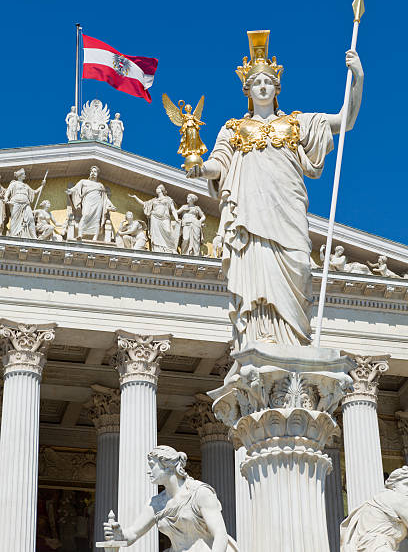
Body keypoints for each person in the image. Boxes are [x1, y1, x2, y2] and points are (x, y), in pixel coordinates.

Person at [187, 31, 363, 349]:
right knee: (257, 276)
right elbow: (219, 165)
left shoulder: (297, 124)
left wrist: (358, 78)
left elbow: (344, 121)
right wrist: (200, 168)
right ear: (248, 90)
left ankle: (294, 342)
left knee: (298, 265)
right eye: (257, 83)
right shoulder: (233, 129)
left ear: (277, 87)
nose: (263, 86)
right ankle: (262, 336)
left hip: (288, 212)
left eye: (268, 81)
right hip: (251, 215)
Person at [103, 445, 237, 551]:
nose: (149, 471)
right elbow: (133, 533)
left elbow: (220, 534)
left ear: (167, 466)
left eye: (152, 466)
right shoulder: (155, 504)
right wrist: (119, 534)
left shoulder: (200, 493)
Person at [340, 466, 408, 551]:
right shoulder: (395, 497)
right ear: (394, 485)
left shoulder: (379, 497)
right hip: (379, 546)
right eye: (406, 485)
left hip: (367, 545)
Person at [66, 166, 116, 241]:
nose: (93, 173)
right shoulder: (83, 181)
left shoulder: (100, 185)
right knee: (85, 215)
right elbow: (75, 189)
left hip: (98, 203)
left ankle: (95, 237)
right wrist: (70, 191)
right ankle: (80, 234)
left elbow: (105, 198)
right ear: (90, 173)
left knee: (97, 219)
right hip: (88, 201)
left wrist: (111, 205)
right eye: (92, 171)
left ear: (97, 174)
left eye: (95, 172)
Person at [129, 185, 180, 253]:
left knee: (168, 231)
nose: (156, 189)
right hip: (154, 217)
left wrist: (176, 218)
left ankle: (171, 249)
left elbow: (173, 210)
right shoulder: (154, 200)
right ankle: (157, 249)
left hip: (165, 218)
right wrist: (135, 197)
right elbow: (144, 204)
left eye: (158, 188)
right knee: (156, 235)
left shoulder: (168, 199)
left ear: (162, 190)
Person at [4, 168, 45, 238]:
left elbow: (34, 192)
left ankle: (33, 236)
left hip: (25, 203)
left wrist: (42, 185)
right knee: (15, 218)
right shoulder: (14, 183)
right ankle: (13, 235)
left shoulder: (26, 186)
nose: (25, 176)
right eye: (24, 174)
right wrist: (6, 198)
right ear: (20, 175)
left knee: (30, 218)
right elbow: (8, 192)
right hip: (16, 202)